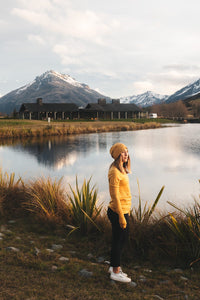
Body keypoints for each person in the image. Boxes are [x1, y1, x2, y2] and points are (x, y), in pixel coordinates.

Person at [107, 142, 132, 283]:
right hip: (117, 212)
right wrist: (121, 217)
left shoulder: (122, 169)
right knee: (119, 241)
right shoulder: (114, 172)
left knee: (120, 240)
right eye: (123, 152)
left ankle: (113, 267)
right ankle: (116, 272)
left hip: (123, 210)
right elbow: (115, 196)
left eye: (127, 151)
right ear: (117, 155)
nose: (126, 154)